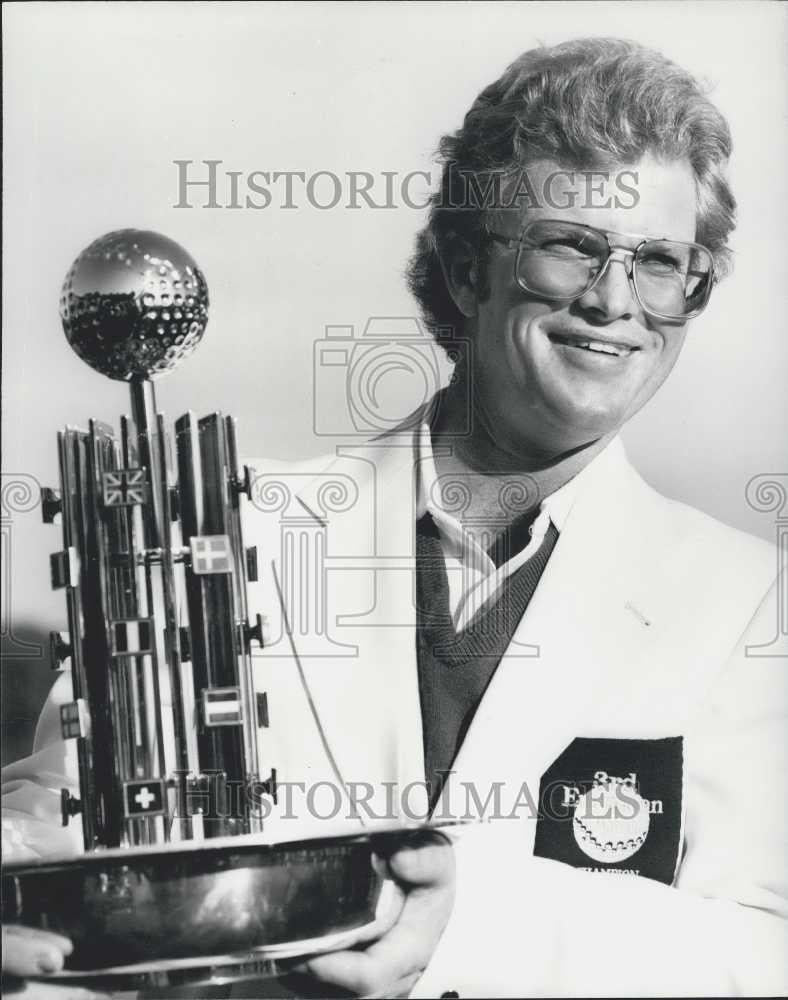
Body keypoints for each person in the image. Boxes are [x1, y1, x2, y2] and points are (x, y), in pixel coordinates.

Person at [3, 37, 786, 998]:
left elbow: (765, 949)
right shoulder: (222, 531)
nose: (615, 301)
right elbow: (61, 832)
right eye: (569, 247)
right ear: (465, 271)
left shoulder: (747, 599)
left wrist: (467, 923)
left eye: (661, 261)